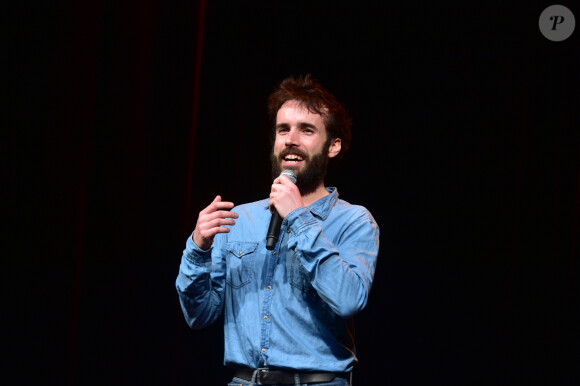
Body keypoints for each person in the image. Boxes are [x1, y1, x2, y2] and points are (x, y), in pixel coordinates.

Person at [176, 74, 380, 386]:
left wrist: (298, 216)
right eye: (282, 129)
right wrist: (197, 249)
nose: (290, 139)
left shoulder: (354, 221)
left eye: (306, 130)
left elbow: (349, 299)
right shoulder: (239, 219)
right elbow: (199, 315)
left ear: (333, 146)